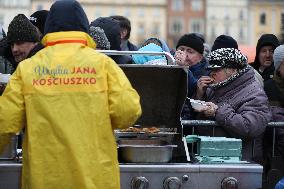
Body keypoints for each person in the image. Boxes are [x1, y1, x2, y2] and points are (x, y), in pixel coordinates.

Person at [0, 0, 141, 189]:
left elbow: (4, 122)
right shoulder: (103, 64)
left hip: (45, 179)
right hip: (96, 179)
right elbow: (128, 112)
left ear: (48, 30)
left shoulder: (28, 69)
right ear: (84, 28)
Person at [194, 48, 271, 162]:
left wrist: (218, 111)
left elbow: (249, 127)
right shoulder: (214, 89)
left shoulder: (255, 93)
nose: (212, 74)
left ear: (233, 70)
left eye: (217, 70)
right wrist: (200, 96)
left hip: (241, 163)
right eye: (210, 70)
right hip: (214, 158)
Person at [174, 33, 209, 120]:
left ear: (200, 57)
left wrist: (183, 68)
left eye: (190, 51)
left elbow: (192, 88)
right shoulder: (170, 64)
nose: (185, 55)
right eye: (181, 50)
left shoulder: (207, 72)